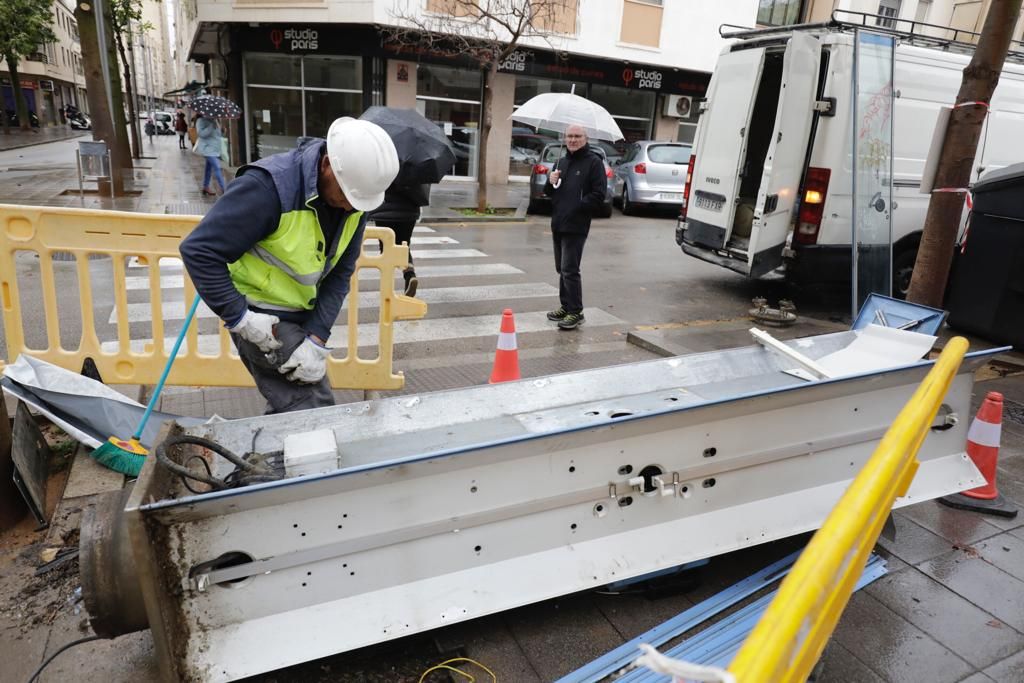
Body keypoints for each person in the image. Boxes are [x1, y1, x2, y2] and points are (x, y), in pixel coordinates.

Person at [179, 117, 399, 414]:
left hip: (303, 315)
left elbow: (340, 274)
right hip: (263, 318)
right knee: (311, 407)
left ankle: (267, 457)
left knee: (294, 407)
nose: (351, 207)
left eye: (359, 202)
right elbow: (199, 250)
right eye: (347, 195)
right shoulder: (267, 189)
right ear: (327, 165)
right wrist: (241, 318)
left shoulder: (355, 203)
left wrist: (318, 337)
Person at [543, 124, 606, 330]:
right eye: (569, 136)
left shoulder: (593, 163)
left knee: (570, 269)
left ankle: (576, 312)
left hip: (576, 224)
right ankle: (565, 305)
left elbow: (598, 195)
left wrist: (576, 207)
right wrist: (550, 181)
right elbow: (549, 193)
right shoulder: (561, 161)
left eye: (577, 136)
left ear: (585, 138)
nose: (572, 139)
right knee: (561, 268)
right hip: (558, 223)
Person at [369, 183, 430, 296]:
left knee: (386, 248)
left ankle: (387, 286)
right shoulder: (412, 165)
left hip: (385, 210)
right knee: (404, 245)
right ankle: (409, 275)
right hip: (409, 210)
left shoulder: (386, 165)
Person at [195, 115, 226, 196]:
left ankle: (205, 187)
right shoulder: (200, 121)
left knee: (208, 168)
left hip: (215, 149)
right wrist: (211, 126)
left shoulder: (215, 120)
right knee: (217, 167)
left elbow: (217, 135)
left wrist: (222, 131)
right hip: (207, 149)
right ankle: (225, 189)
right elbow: (201, 134)